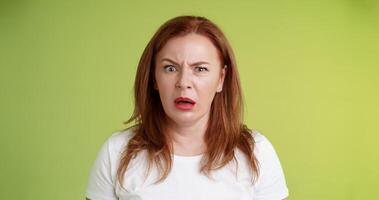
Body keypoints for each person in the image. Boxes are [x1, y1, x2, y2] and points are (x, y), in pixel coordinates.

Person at [85, 15, 289, 200]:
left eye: (200, 69)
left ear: (221, 78)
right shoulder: (117, 152)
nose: (183, 82)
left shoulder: (257, 153)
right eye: (170, 68)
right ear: (154, 78)